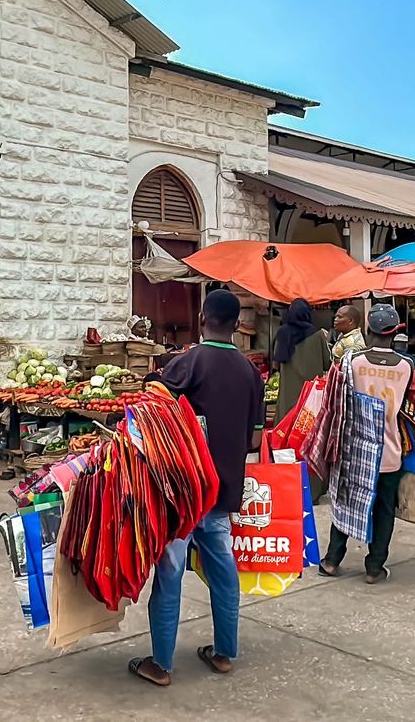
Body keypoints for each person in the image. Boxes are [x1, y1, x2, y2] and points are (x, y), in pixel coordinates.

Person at [132, 288, 262, 687]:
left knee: (170, 574)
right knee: (224, 572)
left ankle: (161, 665)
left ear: (203, 317)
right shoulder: (251, 373)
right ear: (237, 325)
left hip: (182, 493)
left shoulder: (187, 362)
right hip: (223, 494)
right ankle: (224, 654)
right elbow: (255, 442)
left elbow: (150, 416)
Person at [320, 303, 413, 584]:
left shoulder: (352, 361)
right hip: (389, 450)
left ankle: (333, 561)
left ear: (369, 329)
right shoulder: (407, 365)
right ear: (395, 331)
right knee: (384, 508)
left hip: (355, 449)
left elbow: (337, 402)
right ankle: (374, 567)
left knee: (346, 502)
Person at [273, 298, 330, 414]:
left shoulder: (282, 333)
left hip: (288, 390)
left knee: (286, 420)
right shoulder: (317, 335)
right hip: (310, 391)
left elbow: (276, 361)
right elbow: (327, 363)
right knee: (306, 420)